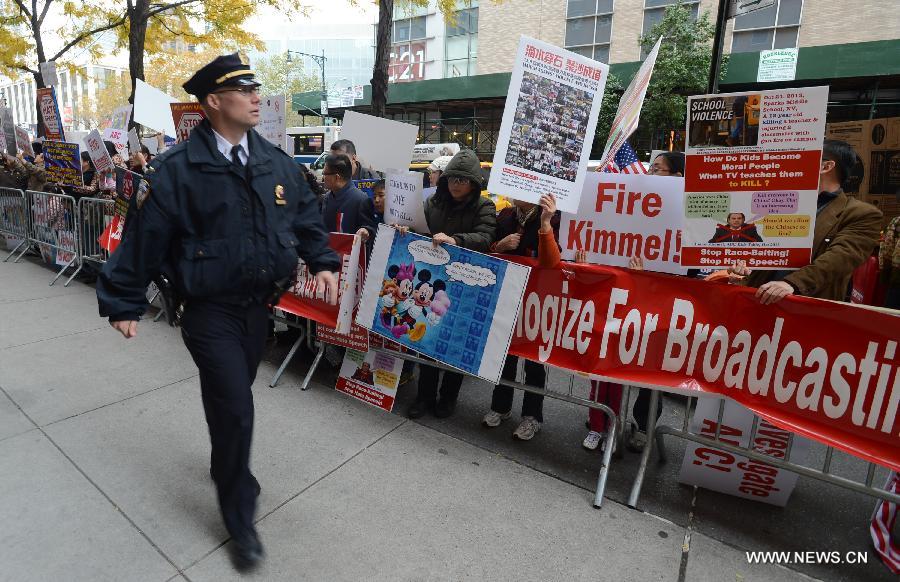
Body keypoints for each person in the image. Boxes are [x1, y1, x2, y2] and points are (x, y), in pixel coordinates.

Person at [95, 53, 340, 572]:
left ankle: (224, 460)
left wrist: (321, 260)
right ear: (213, 102)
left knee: (234, 396)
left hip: (259, 308)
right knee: (235, 404)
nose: (256, 96)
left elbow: (304, 214)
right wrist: (123, 299)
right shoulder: (178, 170)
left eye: (256, 88)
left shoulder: (275, 160)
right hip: (208, 310)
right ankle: (239, 515)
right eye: (243, 89)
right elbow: (145, 238)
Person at [407, 148, 497, 419]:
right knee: (427, 338)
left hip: (465, 284)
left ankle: (448, 399)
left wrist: (456, 240)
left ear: (474, 183)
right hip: (432, 281)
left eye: (463, 179)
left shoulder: (485, 206)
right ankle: (423, 398)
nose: (457, 184)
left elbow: (486, 236)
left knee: (454, 345)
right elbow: (416, 227)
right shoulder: (432, 203)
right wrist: (404, 228)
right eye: (452, 178)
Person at [739, 139, 882, 304]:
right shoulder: (784, 203)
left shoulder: (862, 214)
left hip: (807, 309)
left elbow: (839, 258)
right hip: (759, 302)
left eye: (802, 158)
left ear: (825, 166)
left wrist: (791, 283)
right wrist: (742, 266)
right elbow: (763, 249)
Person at [481, 194, 559, 440]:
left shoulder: (553, 218)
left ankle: (532, 416)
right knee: (505, 355)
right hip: (507, 295)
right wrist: (499, 247)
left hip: (539, 298)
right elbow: (486, 254)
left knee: (534, 360)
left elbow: (552, 262)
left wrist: (546, 225)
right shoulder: (504, 216)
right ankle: (501, 407)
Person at [321, 153, 377, 243]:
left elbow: (371, 228)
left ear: (337, 177)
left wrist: (366, 230)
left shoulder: (361, 199)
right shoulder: (327, 197)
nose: (323, 177)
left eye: (325, 173)